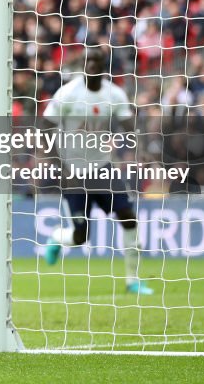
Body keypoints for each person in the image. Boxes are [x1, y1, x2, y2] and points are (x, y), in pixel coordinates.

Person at [42, 46, 153, 296]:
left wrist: (141, 149)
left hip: (103, 168)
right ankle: (57, 238)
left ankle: (132, 281)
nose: (91, 64)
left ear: (103, 66)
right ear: (82, 64)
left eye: (96, 60)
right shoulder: (68, 94)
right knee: (81, 236)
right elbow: (44, 127)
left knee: (128, 216)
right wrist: (58, 163)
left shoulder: (114, 94)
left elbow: (128, 124)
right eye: (88, 60)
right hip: (73, 172)